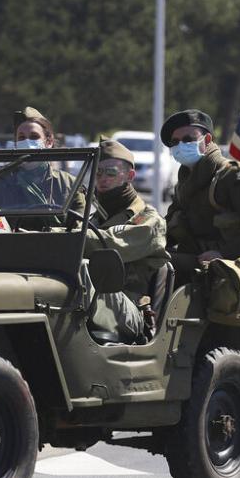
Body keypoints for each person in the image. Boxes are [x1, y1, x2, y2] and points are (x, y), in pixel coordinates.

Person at [160, 109, 240, 279]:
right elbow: (169, 227)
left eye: (188, 139)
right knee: (150, 263)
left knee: (160, 267)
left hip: (233, 265)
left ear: (207, 140)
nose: (180, 146)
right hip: (198, 259)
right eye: (175, 142)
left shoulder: (232, 175)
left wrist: (224, 253)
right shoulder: (185, 183)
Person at [83, 140, 170, 344]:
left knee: (80, 272)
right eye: (98, 173)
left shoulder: (149, 220)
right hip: (100, 301)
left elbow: (110, 245)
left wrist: (67, 236)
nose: (103, 179)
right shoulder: (94, 219)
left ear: (130, 176)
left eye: (110, 173)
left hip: (131, 311)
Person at [0, 106, 86, 229]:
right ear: (16, 144)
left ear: (49, 142)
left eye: (34, 137)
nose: (27, 142)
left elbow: (80, 230)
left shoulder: (69, 184)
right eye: (21, 137)